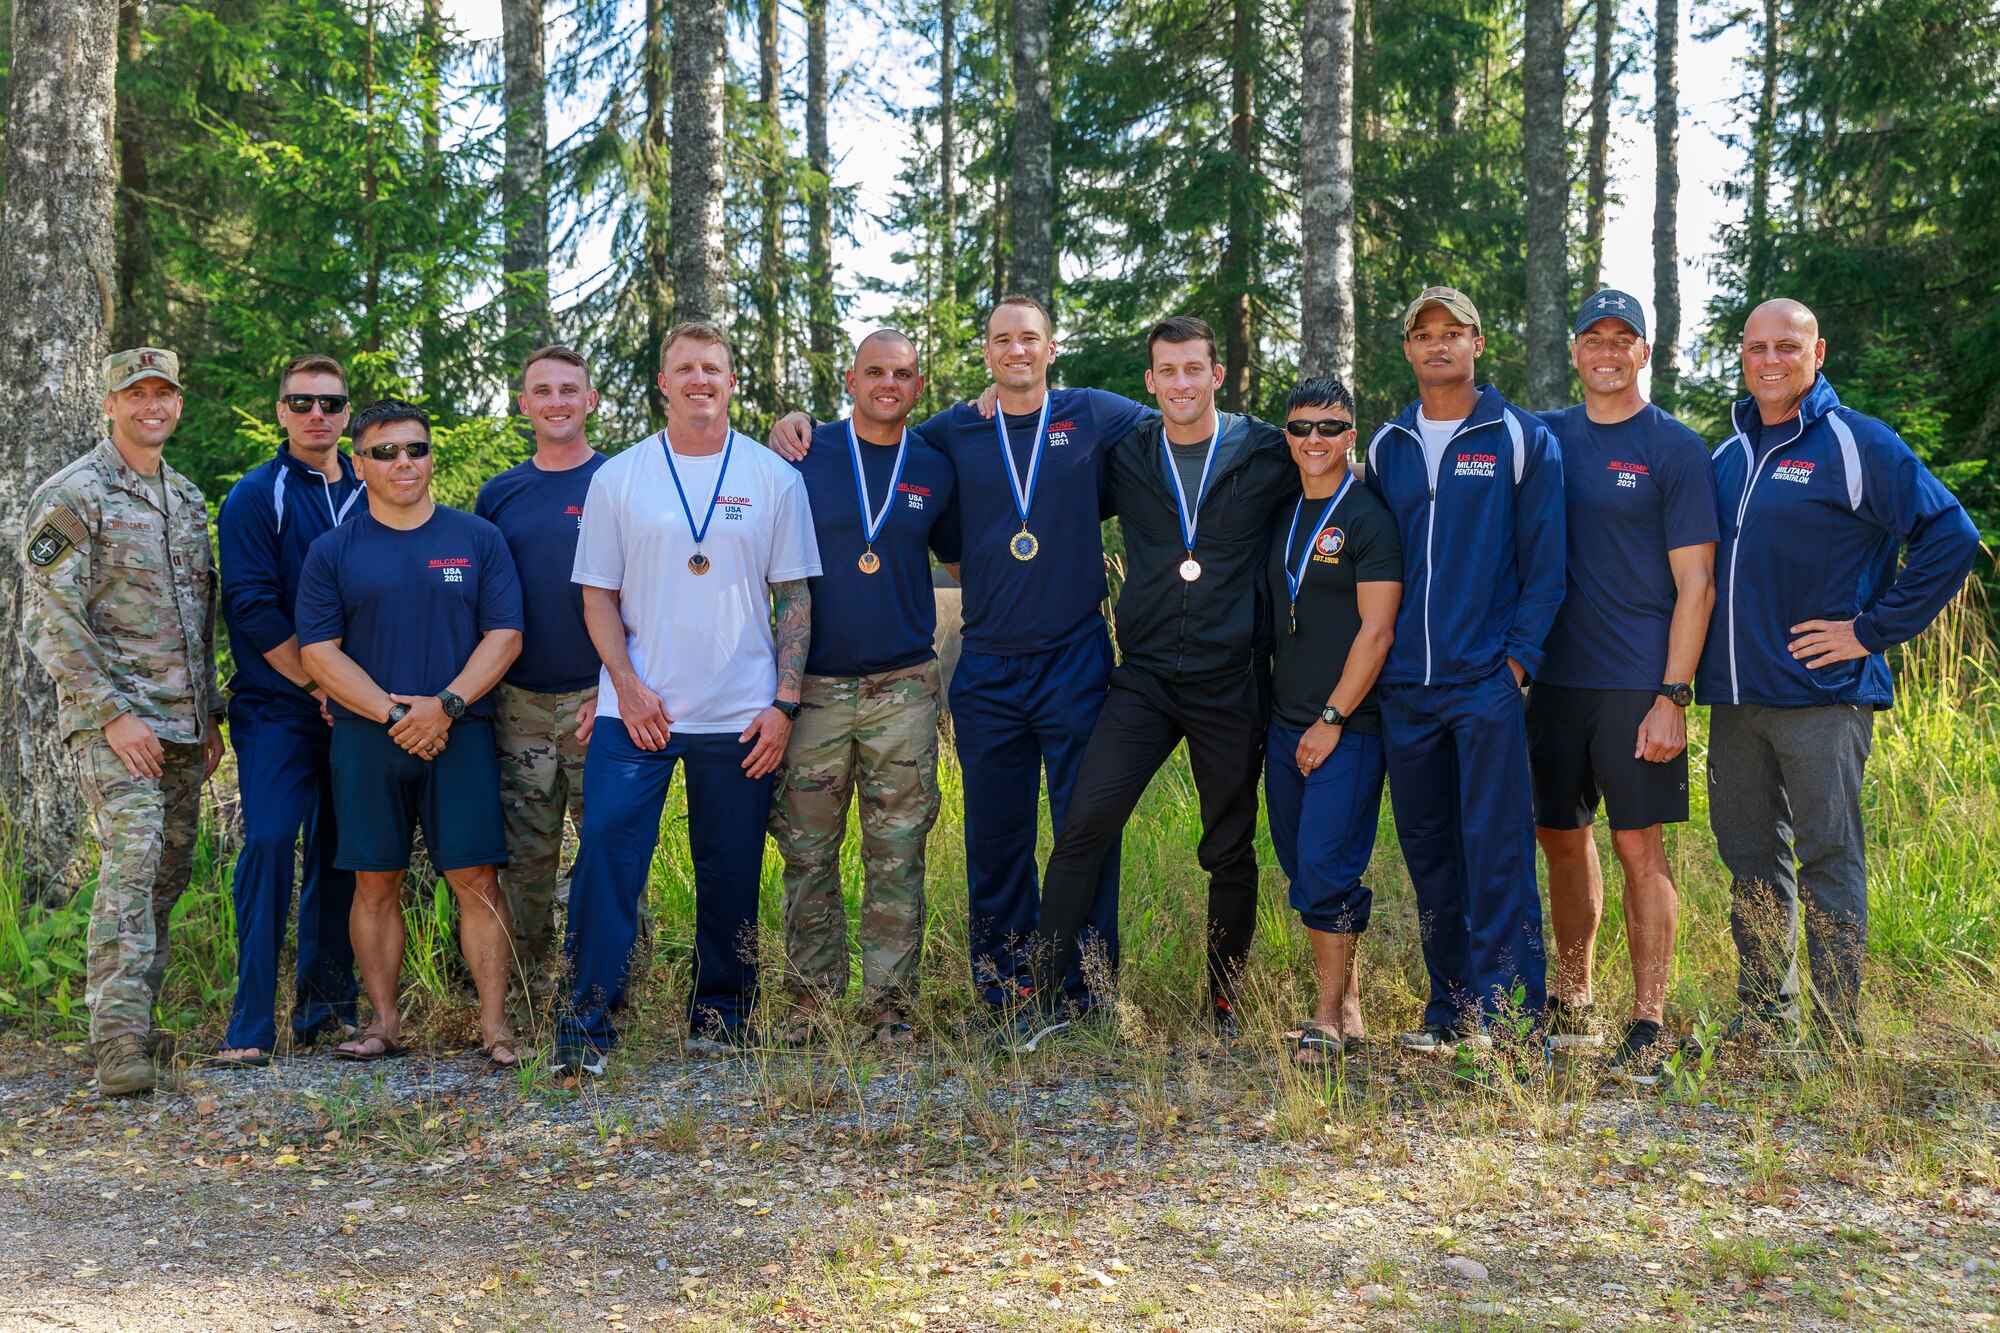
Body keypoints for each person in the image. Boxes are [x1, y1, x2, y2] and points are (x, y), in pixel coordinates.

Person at [770, 296, 1152, 1012]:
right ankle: (1007, 990)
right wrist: (787, 423)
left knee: (1086, 828)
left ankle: (1088, 989)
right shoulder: (951, 433)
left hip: (1075, 659)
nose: (1016, 350)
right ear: (985, 355)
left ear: (1051, 346)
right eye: (1002, 339)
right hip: (989, 668)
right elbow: (936, 531)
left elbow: (1186, 426)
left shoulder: (1092, 414)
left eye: (1028, 338)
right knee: (997, 839)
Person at [1000, 316, 1297, 1051]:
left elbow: (1332, 477)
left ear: (1216, 375)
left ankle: (1224, 1009)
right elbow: (1041, 445)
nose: (1182, 383)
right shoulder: (1127, 451)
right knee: (1083, 826)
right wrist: (992, 391)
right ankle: (1040, 995)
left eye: (1195, 368)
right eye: (1168, 371)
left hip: (1231, 681)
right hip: (1145, 679)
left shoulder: (1264, 450)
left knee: (1227, 847)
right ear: (1151, 382)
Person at [1698, 298, 1980, 1055]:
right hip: (1733, 702)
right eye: (1756, 347)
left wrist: (1869, 630)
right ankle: (1763, 1017)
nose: (1770, 360)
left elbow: (1952, 535)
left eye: (1786, 347)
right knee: (1751, 860)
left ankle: (1834, 1034)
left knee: (1827, 857)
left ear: (1817, 353)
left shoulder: (1856, 443)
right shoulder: (1725, 457)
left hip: (1822, 699)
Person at [559, 322, 821, 1072]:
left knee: (731, 867)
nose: (700, 378)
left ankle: (724, 1016)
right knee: (608, 853)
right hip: (634, 710)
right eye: (685, 368)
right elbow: (598, 598)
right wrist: (629, 686)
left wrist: (784, 704)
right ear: (663, 384)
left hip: (740, 714)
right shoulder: (621, 478)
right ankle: (586, 1028)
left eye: (713, 368)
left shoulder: (775, 477)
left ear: (732, 382)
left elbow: (794, 598)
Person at [1364, 287, 1565, 1054]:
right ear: (1408, 349)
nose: (1438, 345)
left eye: (1453, 332)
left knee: (1499, 848)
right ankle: (1452, 1013)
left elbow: (1547, 568)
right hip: (1405, 690)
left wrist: (1514, 665)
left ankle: (1514, 1022)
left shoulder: (1519, 437)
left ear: (1479, 342)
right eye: (1424, 333)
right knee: (1430, 850)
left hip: (1485, 684)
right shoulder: (1388, 447)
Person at [295, 398, 525, 1066]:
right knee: (375, 881)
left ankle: (495, 1026)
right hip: (370, 738)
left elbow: (505, 635)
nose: (404, 462)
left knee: (476, 878)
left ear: (431, 456)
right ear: (359, 462)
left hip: (461, 732)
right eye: (387, 451)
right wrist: (397, 714)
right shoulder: (333, 550)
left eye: (416, 449)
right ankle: (385, 1023)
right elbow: (319, 652)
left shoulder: (476, 538)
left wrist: (445, 704)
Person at [20, 348, 226, 1096]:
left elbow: (196, 615)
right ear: (109, 404)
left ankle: (139, 1016)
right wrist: (112, 716)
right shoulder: (75, 493)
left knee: (168, 875)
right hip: (117, 726)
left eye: (163, 394)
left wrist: (206, 717)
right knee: (132, 863)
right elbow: (49, 619)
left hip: (181, 725)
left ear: (177, 403)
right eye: (134, 394)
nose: (151, 406)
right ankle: (115, 1043)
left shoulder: (188, 498)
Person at [1530, 291, 1717, 1080]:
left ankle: (1647, 1017)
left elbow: (1698, 582)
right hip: (1551, 680)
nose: (1607, 350)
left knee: (1639, 845)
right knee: (1560, 842)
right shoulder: (1543, 436)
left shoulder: (1673, 446)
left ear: (1644, 353)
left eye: (1623, 338)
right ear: (1574, 351)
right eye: (1593, 338)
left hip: (1638, 681)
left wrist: (1672, 696)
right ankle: (1572, 1000)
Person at [769, 330, 959, 1047]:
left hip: (903, 687)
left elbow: (964, 561)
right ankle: (809, 1002)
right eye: (874, 371)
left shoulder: (935, 468)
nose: (889, 382)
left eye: (903, 373)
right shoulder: (802, 453)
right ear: (850, 378)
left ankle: (890, 1004)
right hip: (814, 688)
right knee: (807, 849)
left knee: (898, 849)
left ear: (917, 384)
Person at [214, 353, 365, 1068]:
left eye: (330, 404)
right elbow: (251, 608)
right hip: (280, 707)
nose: (316, 415)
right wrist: (319, 687)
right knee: (272, 842)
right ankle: (250, 1022)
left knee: (340, 855)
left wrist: (361, 697)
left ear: (345, 415)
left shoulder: (372, 491)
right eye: (301, 402)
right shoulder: (256, 495)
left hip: (360, 711)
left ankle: (326, 1012)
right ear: (281, 412)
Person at [1263, 378, 1402, 1067]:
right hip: (1284, 722)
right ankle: (1348, 1005)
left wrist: (1332, 716)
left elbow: (1377, 632)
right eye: (1300, 428)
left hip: (1348, 725)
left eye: (1329, 426)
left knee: (1325, 865)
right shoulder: (1286, 511)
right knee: (1300, 865)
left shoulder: (1369, 516)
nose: (1313, 439)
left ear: (1353, 434)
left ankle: (1324, 1014)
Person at [475, 346, 608, 1021]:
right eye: (541, 391)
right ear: (523, 404)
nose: (556, 401)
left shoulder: (621, 481)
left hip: (604, 701)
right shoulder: (499, 495)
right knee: (526, 863)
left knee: (611, 855)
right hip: (519, 706)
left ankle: (612, 992)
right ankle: (527, 996)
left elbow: (650, 596)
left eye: (569, 389)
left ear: (590, 400)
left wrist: (615, 687)